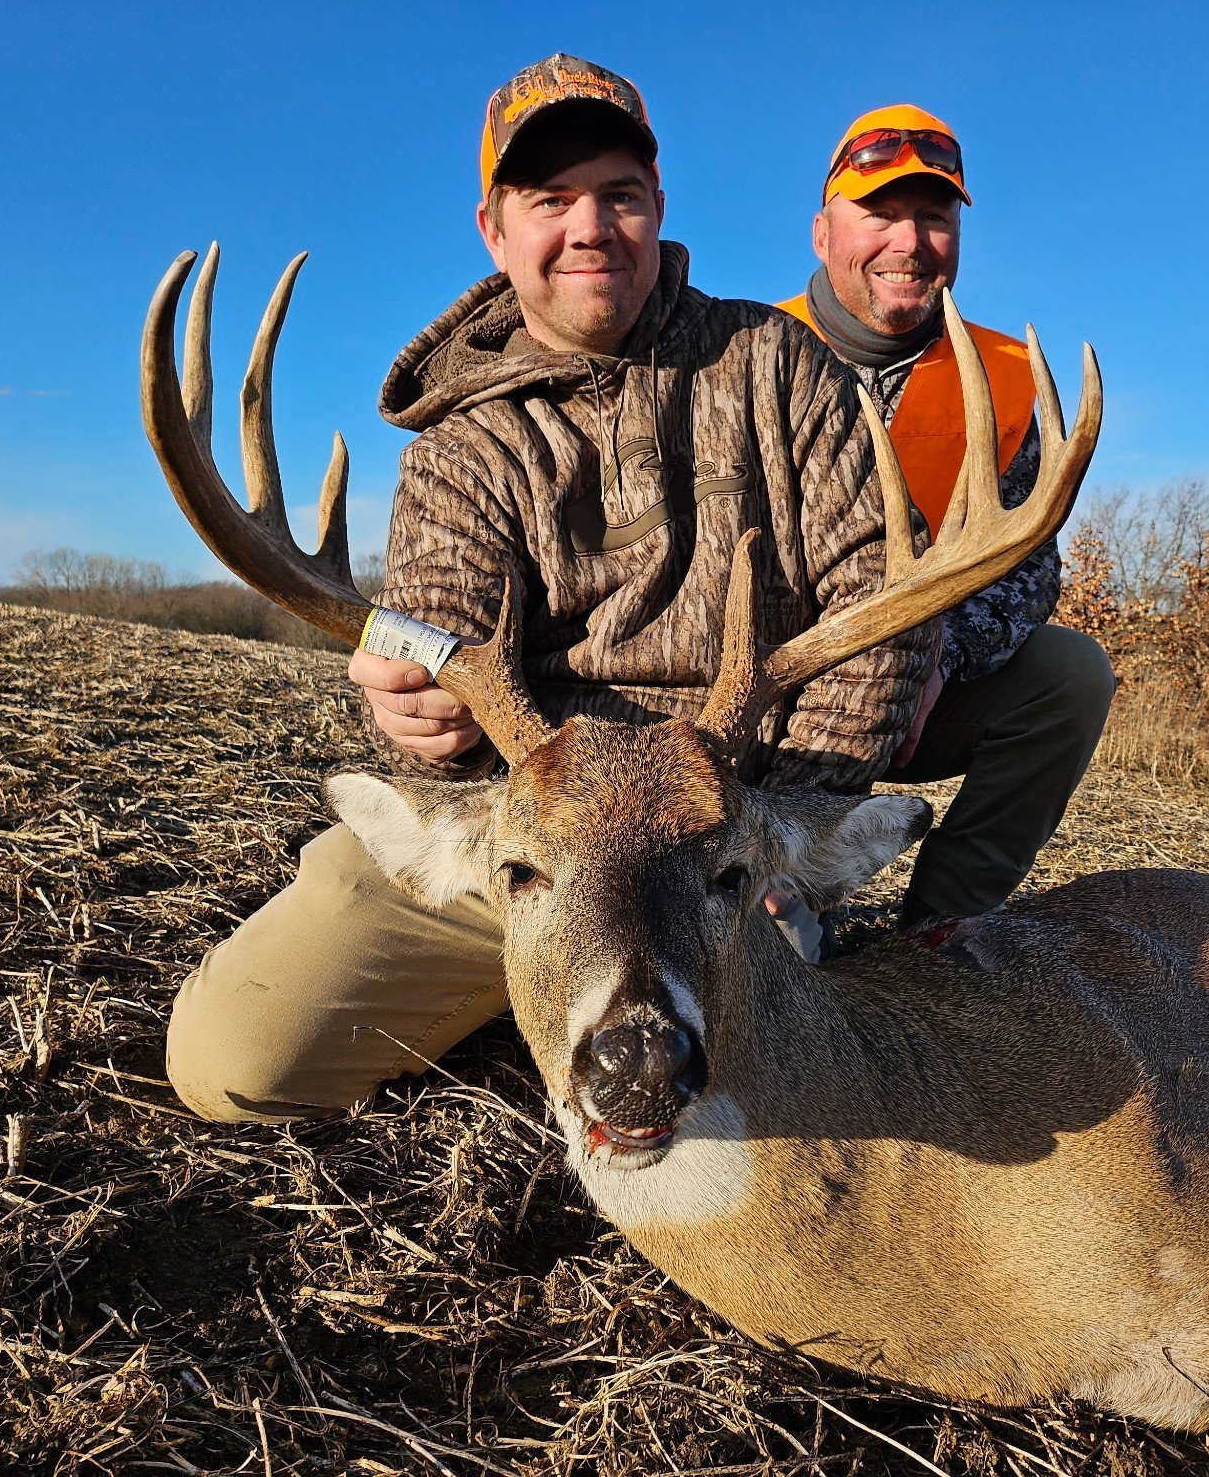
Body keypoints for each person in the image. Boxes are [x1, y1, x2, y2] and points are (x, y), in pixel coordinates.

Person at [166, 54, 935, 1123]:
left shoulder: (774, 365)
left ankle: (721, 959)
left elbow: (874, 620)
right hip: (527, 849)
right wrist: (419, 720)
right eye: (549, 200)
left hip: (718, 849)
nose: (589, 227)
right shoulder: (460, 447)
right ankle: (531, 994)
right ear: (493, 227)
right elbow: (432, 650)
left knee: (797, 1116)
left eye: (617, 195)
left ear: (656, 207)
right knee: (235, 1062)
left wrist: (772, 836)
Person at [776, 104, 1115, 925]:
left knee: (1069, 677)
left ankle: (943, 932)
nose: (909, 242)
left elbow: (1027, 573)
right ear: (823, 233)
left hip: (923, 692)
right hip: (769, 693)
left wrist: (934, 652)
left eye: (933, 217)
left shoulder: (1005, 377)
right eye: (880, 214)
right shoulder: (745, 353)